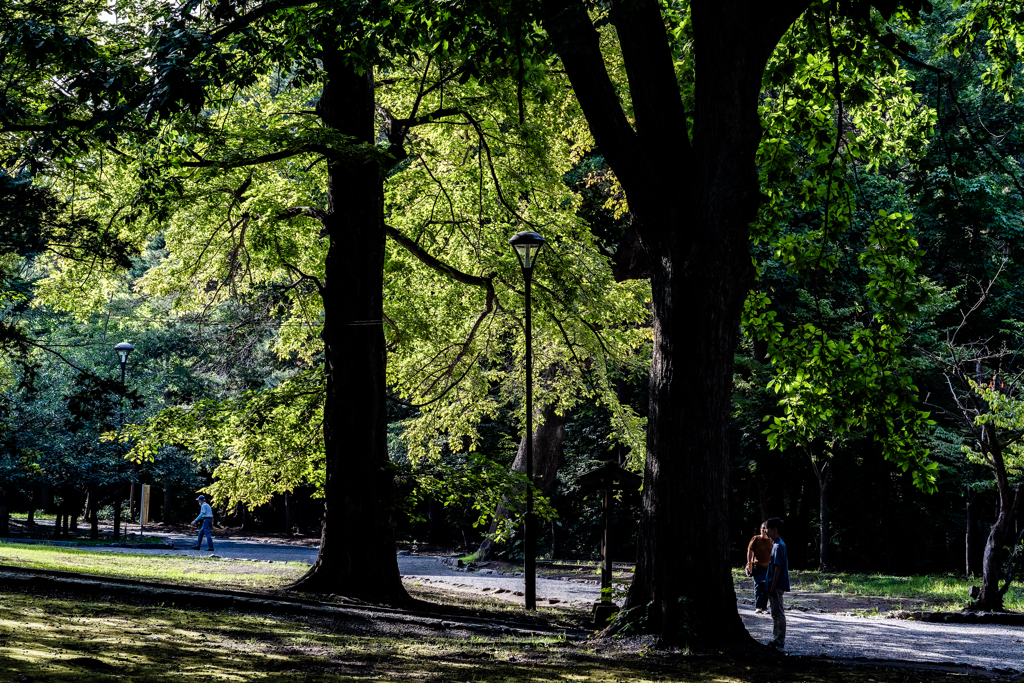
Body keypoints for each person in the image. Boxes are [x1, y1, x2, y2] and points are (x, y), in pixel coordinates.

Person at [764, 516, 790, 649]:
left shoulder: (779, 546)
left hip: (777, 585)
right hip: (774, 584)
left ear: (774, 529)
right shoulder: (777, 545)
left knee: (778, 612)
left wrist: (773, 586)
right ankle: (777, 638)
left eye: (767, 529)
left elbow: (777, 567)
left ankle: (779, 640)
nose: (766, 531)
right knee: (775, 612)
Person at [745, 521, 772, 613]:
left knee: (766, 587)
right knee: (759, 586)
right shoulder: (756, 539)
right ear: (760, 529)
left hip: (768, 568)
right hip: (757, 567)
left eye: (766, 528)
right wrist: (749, 564)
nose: (764, 530)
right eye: (763, 528)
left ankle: (764, 608)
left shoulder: (771, 540)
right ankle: (758, 607)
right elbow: (750, 551)